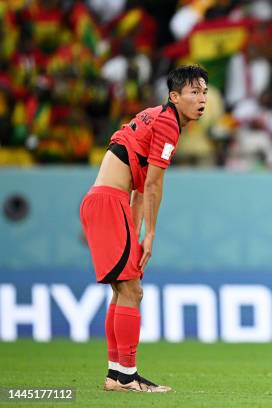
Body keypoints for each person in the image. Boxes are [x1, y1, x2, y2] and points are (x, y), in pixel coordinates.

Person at [79, 65, 209, 392]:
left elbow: (138, 186)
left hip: (108, 201)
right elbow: (152, 184)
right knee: (131, 291)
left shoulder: (154, 115)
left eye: (204, 91)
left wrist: (135, 232)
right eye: (194, 92)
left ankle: (115, 374)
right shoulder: (168, 124)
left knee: (123, 291)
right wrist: (150, 234)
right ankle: (128, 376)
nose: (202, 98)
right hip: (110, 203)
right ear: (174, 96)